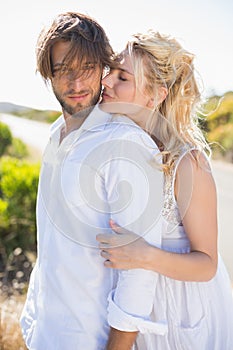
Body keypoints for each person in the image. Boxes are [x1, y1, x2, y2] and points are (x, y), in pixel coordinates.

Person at [20, 12, 167, 350]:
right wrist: (32, 320)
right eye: (62, 70)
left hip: (88, 340)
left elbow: (140, 276)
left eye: (86, 68)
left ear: (103, 67)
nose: (75, 83)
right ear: (48, 74)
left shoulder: (126, 145)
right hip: (42, 332)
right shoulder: (55, 134)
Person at [97, 31, 233, 349]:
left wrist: (146, 256)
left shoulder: (188, 162)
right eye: (110, 72)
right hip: (136, 309)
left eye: (122, 77)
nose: (106, 82)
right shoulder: (120, 146)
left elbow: (207, 264)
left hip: (182, 314)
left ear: (155, 95)